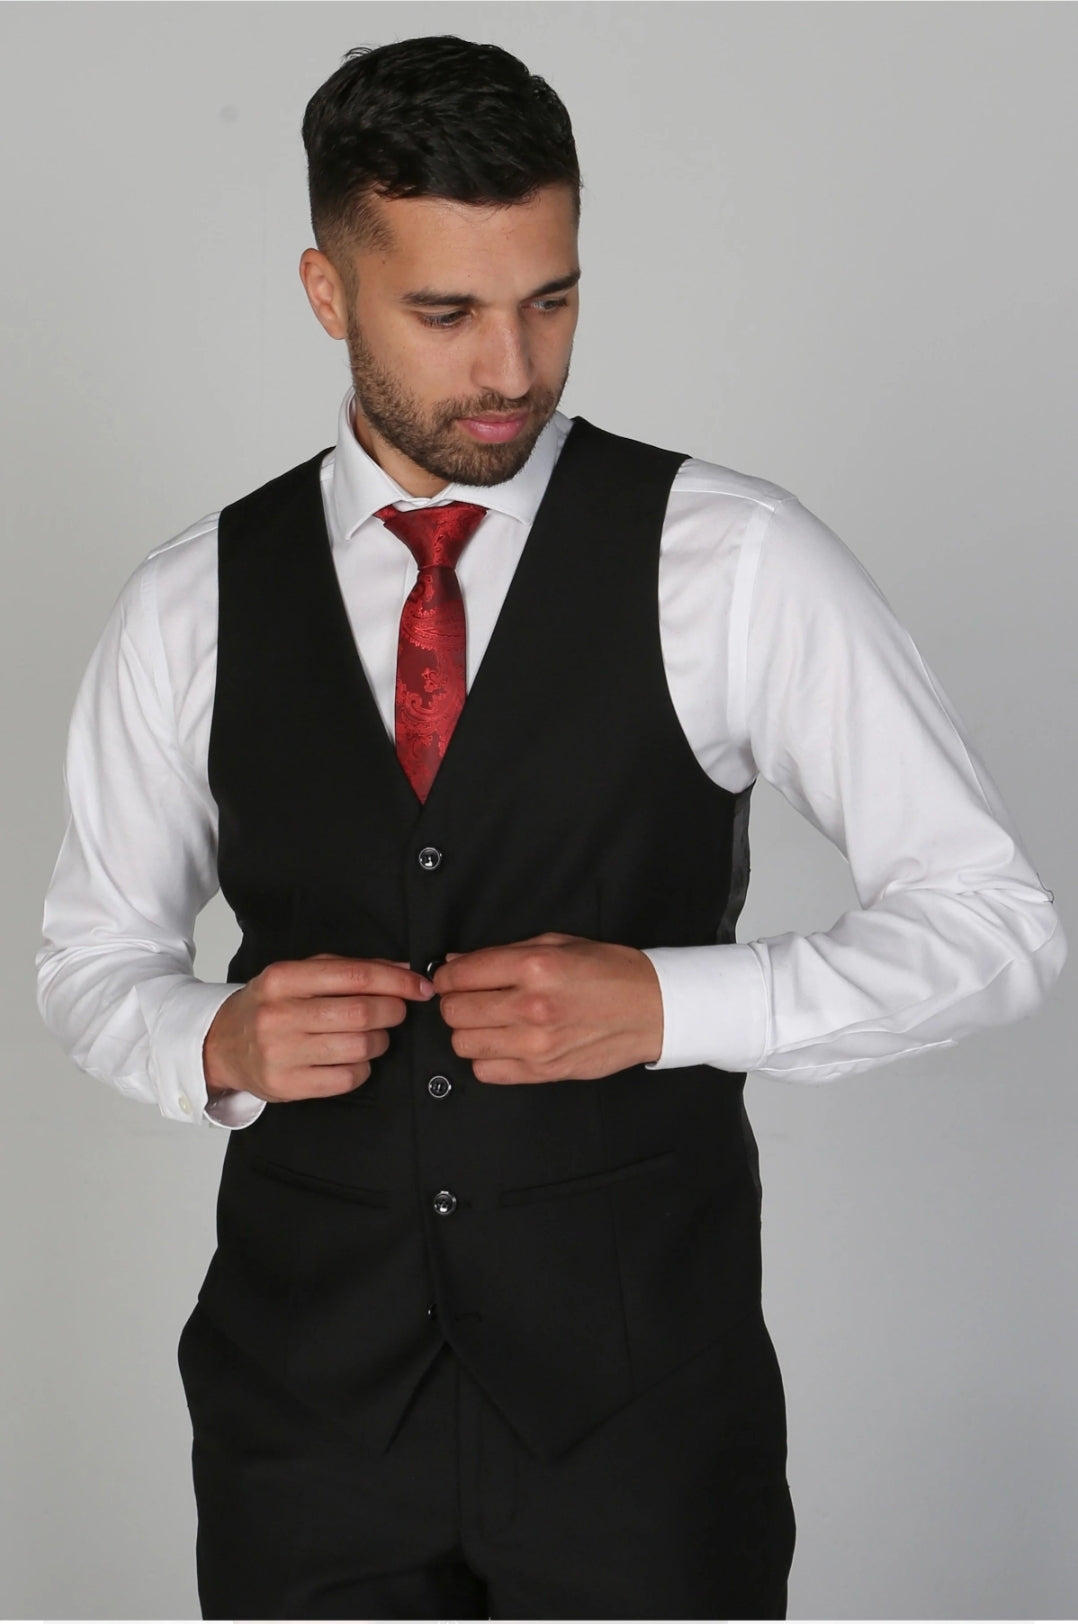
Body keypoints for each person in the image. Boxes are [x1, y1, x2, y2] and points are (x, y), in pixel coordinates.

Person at [35, 33, 1066, 1623]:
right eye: (446, 313)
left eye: (552, 299)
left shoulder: (734, 560)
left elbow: (993, 928)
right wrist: (213, 1041)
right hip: (302, 1426)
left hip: (642, 1429)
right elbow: (91, 960)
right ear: (327, 292)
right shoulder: (190, 602)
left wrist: (671, 1005)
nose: (512, 368)